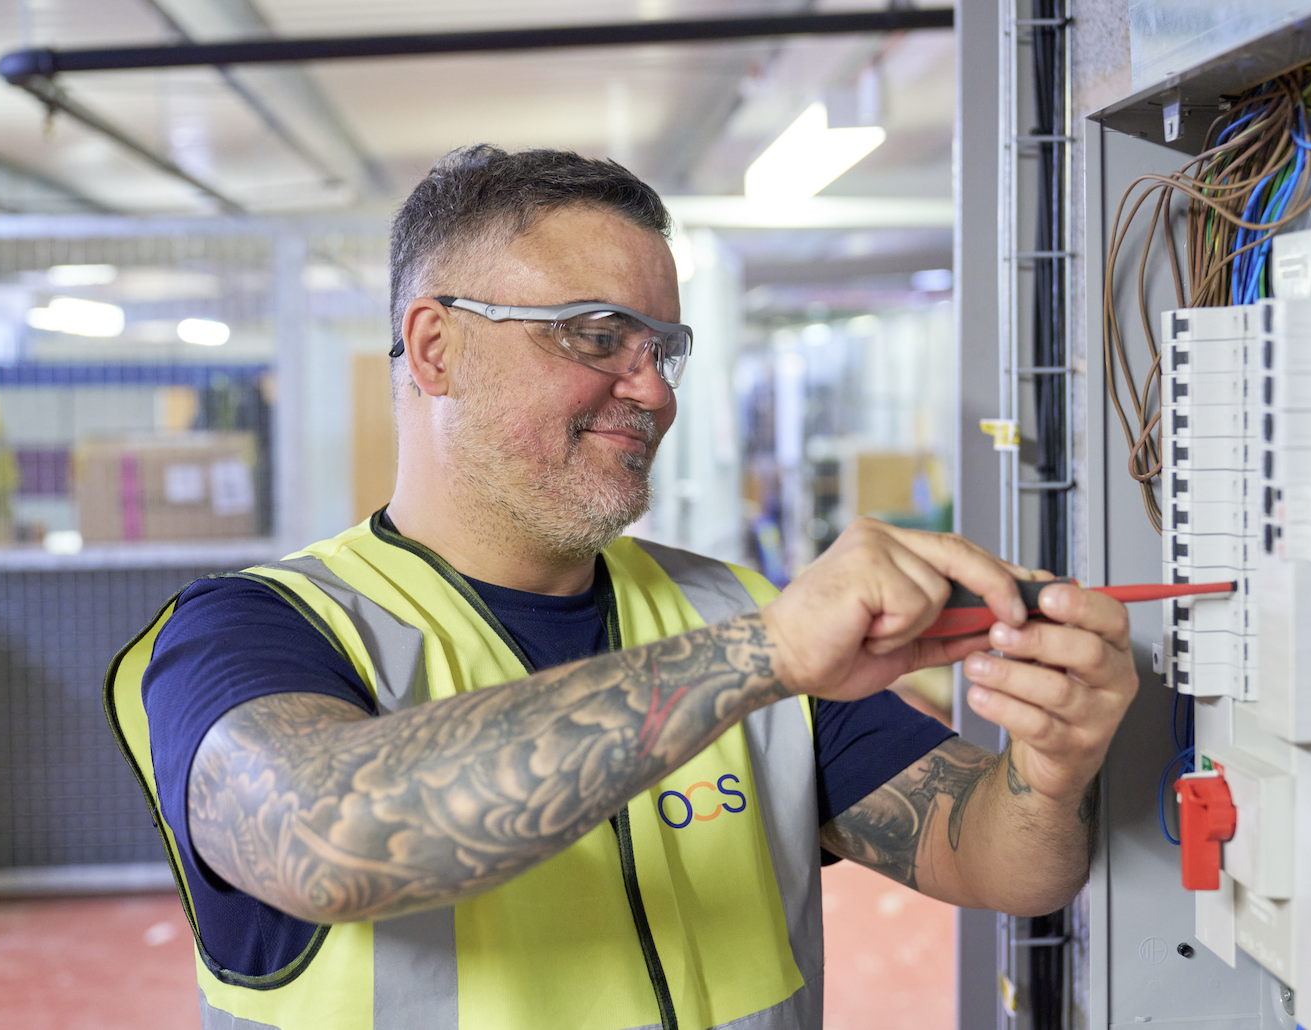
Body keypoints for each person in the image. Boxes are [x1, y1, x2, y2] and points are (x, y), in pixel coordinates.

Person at [106, 145, 1140, 1030]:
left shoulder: (724, 606)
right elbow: (329, 840)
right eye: (596, 335)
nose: (648, 390)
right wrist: (765, 655)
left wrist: (1047, 769)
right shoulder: (256, 630)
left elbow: (997, 863)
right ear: (435, 347)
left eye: (663, 350)